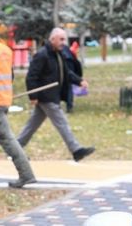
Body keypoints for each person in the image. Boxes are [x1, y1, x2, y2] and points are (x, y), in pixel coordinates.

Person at [17, 28, 95, 162]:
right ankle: (76, 150)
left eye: (64, 39)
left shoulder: (58, 54)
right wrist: (33, 96)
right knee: (62, 122)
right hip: (46, 96)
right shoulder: (42, 55)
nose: (63, 43)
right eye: (61, 39)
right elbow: (31, 76)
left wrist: (79, 81)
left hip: (53, 95)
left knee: (32, 125)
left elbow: (67, 72)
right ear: (52, 39)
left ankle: (15, 148)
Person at [0, 26, 36, 188]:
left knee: (7, 140)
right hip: (3, 99)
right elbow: (10, 75)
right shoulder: (4, 49)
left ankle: (26, 174)